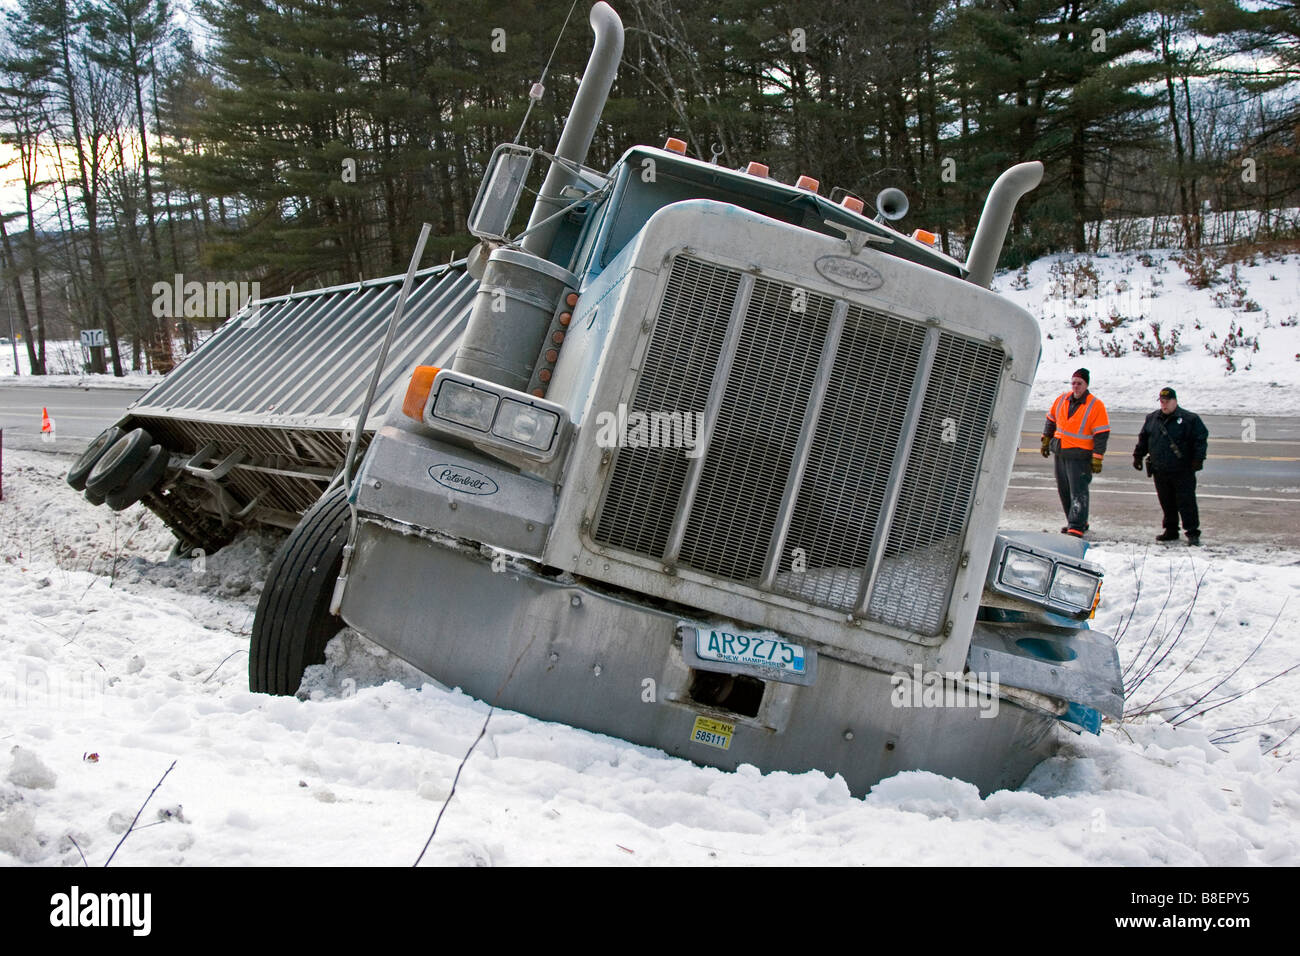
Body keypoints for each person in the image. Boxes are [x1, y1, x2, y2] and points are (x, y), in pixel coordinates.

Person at [1133, 386, 1208, 545]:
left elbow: (1200, 439)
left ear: (1175, 401)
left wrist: (1198, 459)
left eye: (1167, 401)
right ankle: (1171, 529)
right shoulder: (1152, 418)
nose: (1164, 405)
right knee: (1166, 502)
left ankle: (1192, 532)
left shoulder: (1189, 419)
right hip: (1160, 469)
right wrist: (1138, 456)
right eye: (1161, 401)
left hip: (1182, 470)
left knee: (1186, 502)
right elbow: (1144, 438)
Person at [1041, 368, 1110, 537]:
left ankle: (1076, 525)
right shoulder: (1062, 399)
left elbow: (1101, 434)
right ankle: (1075, 521)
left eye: (1079, 383)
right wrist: (1046, 439)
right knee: (1064, 490)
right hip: (1061, 452)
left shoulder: (1095, 405)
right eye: (1073, 383)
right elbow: (1051, 420)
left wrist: (1097, 457)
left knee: (1078, 491)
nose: (1076, 386)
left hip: (1079, 455)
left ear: (1086, 385)